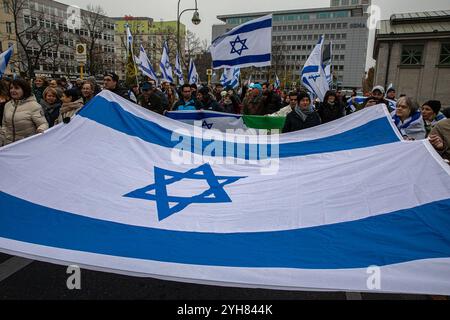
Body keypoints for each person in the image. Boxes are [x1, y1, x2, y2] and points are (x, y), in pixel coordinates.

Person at [0, 78, 48, 146]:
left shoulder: (34, 106)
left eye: (16, 88)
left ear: (24, 90)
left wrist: (41, 129)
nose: (13, 90)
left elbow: (43, 124)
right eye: (11, 88)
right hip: (8, 146)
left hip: (26, 146)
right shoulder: (7, 105)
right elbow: (4, 125)